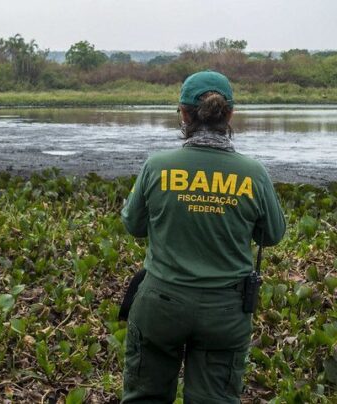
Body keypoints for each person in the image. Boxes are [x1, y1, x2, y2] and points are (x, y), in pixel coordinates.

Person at [120, 70, 286, 403]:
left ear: (183, 114)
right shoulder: (253, 173)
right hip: (225, 310)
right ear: (230, 115)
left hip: (161, 304)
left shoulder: (157, 166)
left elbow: (134, 226)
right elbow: (273, 235)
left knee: (145, 398)